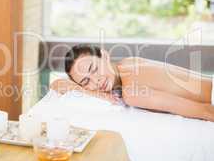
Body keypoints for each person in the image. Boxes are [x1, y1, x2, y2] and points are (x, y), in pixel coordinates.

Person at [50, 44, 214, 122]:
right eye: (86, 81)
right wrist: (97, 94)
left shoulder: (132, 92)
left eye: (93, 69)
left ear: (104, 56)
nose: (96, 80)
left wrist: (95, 92)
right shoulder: (127, 63)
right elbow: (57, 84)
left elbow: (205, 111)